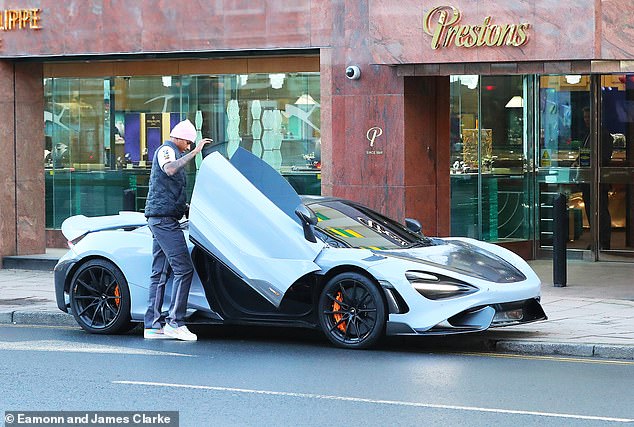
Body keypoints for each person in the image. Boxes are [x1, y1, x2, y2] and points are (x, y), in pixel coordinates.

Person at [143, 119, 211, 341]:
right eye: (189, 143)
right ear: (180, 138)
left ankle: (153, 326)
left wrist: (187, 208)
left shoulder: (174, 151)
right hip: (163, 221)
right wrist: (196, 152)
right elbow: (170, 169)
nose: (189, 147)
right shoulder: (166, 150)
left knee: (160, 272)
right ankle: (175, 322)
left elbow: (169, 187)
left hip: (164, 218)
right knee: (183, 269)